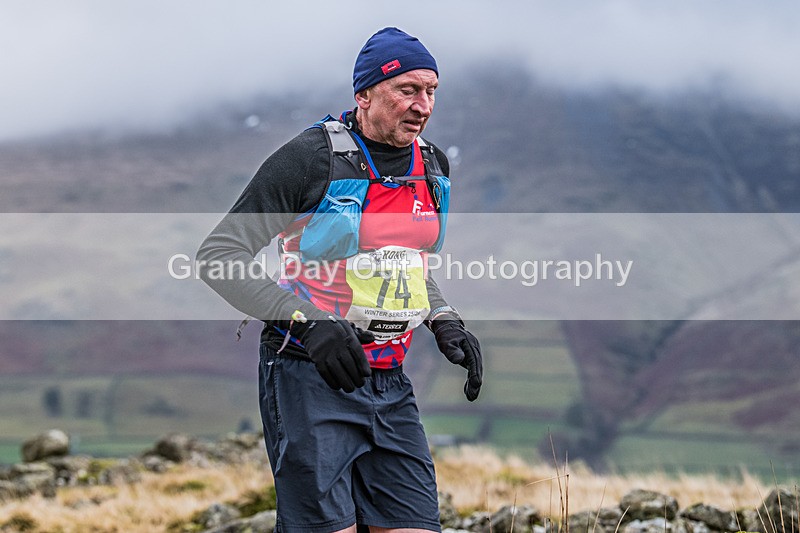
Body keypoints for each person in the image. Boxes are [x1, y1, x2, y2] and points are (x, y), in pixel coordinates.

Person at [197, 27, 483, 533]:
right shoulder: (310, 159)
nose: (423, 106)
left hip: (390, 381)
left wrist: (443, 319)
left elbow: (408, 261)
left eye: (432, 91)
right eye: (408, 90)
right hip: (308, 375)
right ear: (365, 93)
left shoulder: (432, 164)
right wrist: (308, 323)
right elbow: (219, 255)